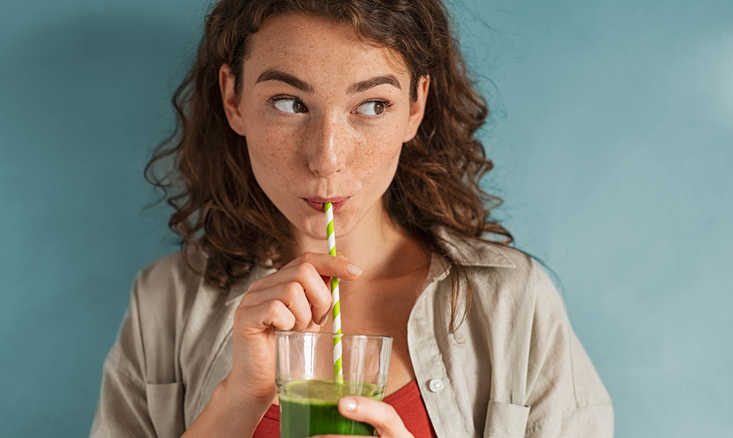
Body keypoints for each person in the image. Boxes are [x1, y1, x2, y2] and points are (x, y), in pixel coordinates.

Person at [91, 0, 614, 436]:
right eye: (289, 103)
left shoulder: (514, 304)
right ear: (233, 99)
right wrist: (237, 400)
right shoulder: (164, 303)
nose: (326, 158)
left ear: (415, 107)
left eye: (371, 106)